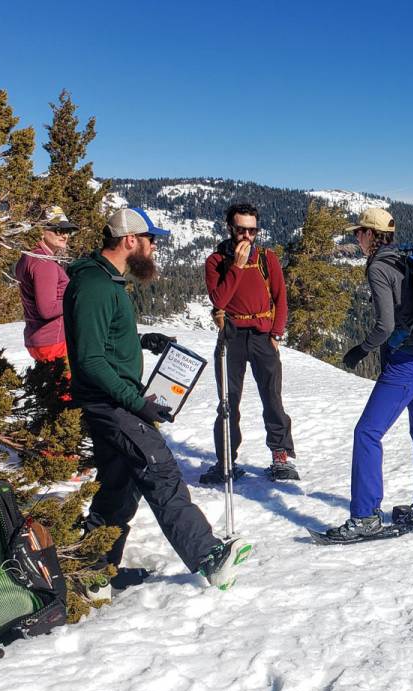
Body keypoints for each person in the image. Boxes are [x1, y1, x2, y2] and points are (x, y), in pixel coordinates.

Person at [63, 207, 251, 592]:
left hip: (114, 401)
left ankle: (93, 571)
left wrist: (141, 341)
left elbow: (103, 341)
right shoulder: (96, 287)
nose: (153, 248)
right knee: (159, 468)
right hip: (111, 404)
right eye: (150, 240)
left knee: (118, 488)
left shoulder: (105, 281)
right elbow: (90, 360)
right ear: (130, 240)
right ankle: (209, 556)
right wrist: (136, 403)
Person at [321, 208, 413, 542]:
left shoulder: (379, 266)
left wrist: (361, 349)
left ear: (371, 234)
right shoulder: (405, 257)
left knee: (367, 432)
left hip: (406, 363)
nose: (356, 238)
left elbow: (385, 325)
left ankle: (365, 517)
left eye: (359, 232)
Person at [200, 202, 298, 483]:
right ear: (230, 228)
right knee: (228, 402)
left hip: (262, 336)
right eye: (241, 230)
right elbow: (219, 300)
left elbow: (280, 298)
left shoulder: (267, 259)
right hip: (231, 336)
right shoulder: (216, 261)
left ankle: (280, 455)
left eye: (252, 231)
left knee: (272, 398)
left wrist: (276, 334)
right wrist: (237, 267)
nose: (247, 236)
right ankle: (226, 461)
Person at [15, 206, 77, 363]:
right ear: (41, 230)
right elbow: (47, 310)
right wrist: (77, 299)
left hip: (39, 339)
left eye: (67, 231)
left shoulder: (29, 257)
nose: (64, 235)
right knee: (64, 380)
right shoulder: (44, 263)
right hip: (54, 342)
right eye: (58, 230)